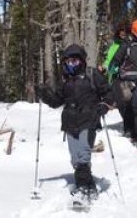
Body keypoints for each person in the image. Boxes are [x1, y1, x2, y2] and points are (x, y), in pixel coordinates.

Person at [38, 44, 114, 197]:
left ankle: (84, 187)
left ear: (81, 60)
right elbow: (56, 101)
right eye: (68, 62)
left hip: (89, 118)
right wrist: (44, 93)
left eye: (74, 61)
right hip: (70, 121)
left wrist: (104, 106)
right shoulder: (66, 80)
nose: (71, 64)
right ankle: (88, 183)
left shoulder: (92, 75)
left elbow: (109, 93)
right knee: (75, 158)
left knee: (83, 154)